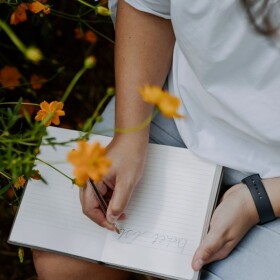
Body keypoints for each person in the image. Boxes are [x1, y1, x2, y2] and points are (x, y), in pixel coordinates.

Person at [33, 0, 280, 279]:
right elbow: (148, 7)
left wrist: (260, 200)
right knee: (64, 260)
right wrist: (129, 134)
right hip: (181, 108)